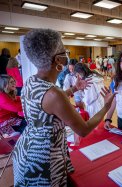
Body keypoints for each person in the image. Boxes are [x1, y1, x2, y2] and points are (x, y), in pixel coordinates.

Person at [12, 29, 116, 186]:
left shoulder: (31, 81)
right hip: (44, 161)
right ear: (57, 59)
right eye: (64, 51)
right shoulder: (54, 93)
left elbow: (47, 104)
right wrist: (106, 106)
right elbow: (84, 129)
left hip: (26, 150)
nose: (66, 55)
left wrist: (74, 89)